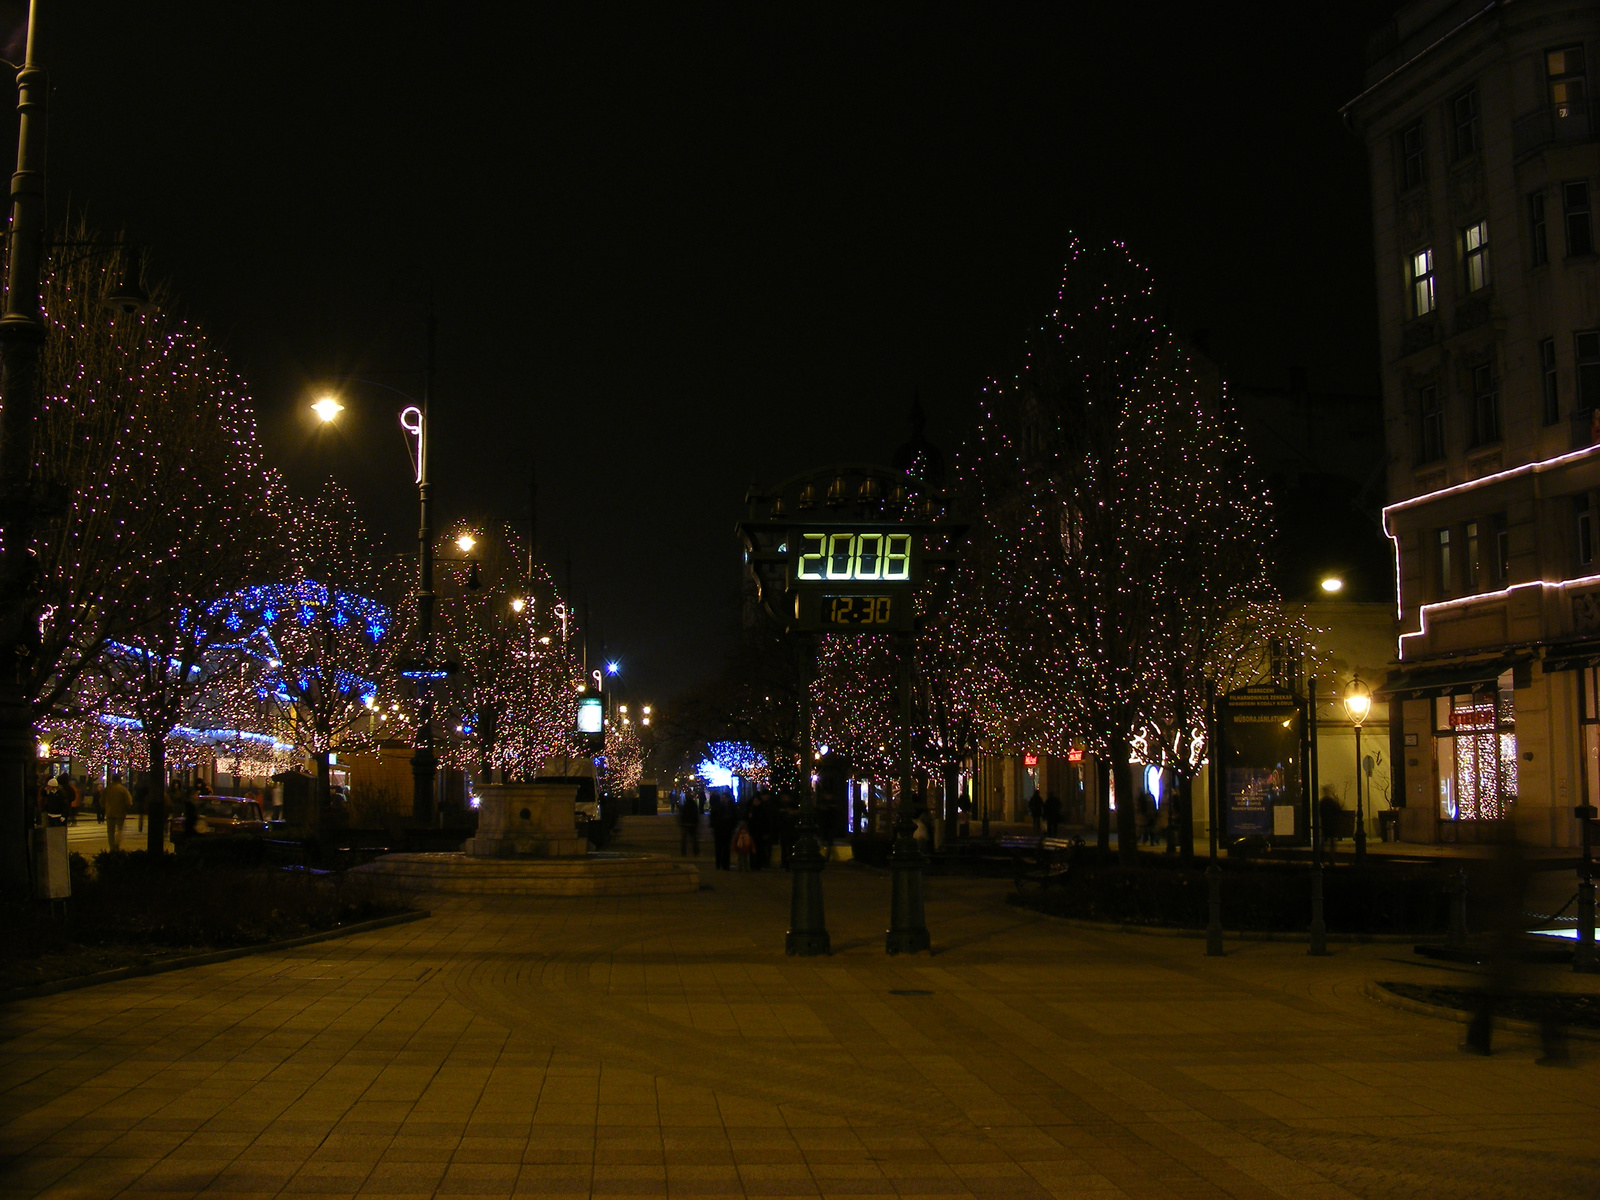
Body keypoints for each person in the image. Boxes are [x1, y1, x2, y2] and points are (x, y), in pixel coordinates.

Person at [101, 772, 132, 852]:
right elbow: (129, 801)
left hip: (109, 812)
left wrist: (105, 807)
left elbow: (101, 800)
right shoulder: (122, 790)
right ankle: (116, 845)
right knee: (120, 829)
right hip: (120, 813)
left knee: (110, 831)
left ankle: (111, 847)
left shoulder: (107, 789)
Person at [709, 790, 735, 871]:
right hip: (719, 829)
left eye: (725, 798)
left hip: (727, 830)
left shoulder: (731, 806)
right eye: (722, 798)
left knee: (726, 848)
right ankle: (718, 864)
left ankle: (725, 865)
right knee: (719, 848)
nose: (723, 799)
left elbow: (735, 817)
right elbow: (712, 816)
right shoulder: (718, 806)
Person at [747, 791, 770, 870]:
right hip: (753, 832)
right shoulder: (751, 809)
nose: (755, 802)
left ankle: (758, 864)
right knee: (753, 848)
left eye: (757, 801)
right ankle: (753, 864)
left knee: (759, 848)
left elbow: (765, 822)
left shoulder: (762, 810)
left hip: (759, 832)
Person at [1319, 786, 1343, 852]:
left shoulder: (1322, 802)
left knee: (1324, 840)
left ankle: (1322, 856)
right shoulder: (1331, 801)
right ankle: (1331, 857)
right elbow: (1338, 811)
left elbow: (1319, 812)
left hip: (1325, 824)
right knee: (1331, 841)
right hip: (1331, 824)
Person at [678, 790, 701, 857]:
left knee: (684, 839)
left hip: (685, 823)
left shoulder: (685, 805)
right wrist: (696, 823)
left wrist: (682, 822)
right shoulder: (694, 805)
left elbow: (682, 814)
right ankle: (695, 851)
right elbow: (696, 814)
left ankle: (683, 851)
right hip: (693, 824)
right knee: (694, 839)